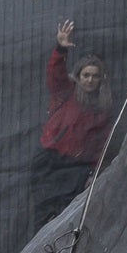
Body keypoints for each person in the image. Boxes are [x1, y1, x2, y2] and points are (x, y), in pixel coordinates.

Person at [32, 18, 112, 233]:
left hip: (76, 169)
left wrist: (93, 173)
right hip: (51, 162)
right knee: (44, 214)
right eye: (86, 75)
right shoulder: (65, 93)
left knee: (68, 216)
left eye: (95, 76)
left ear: (101, 80)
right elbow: (55, 73)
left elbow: (100, 144)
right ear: (78, 76)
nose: (89, 80)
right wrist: (61, 48)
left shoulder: (102, 109)